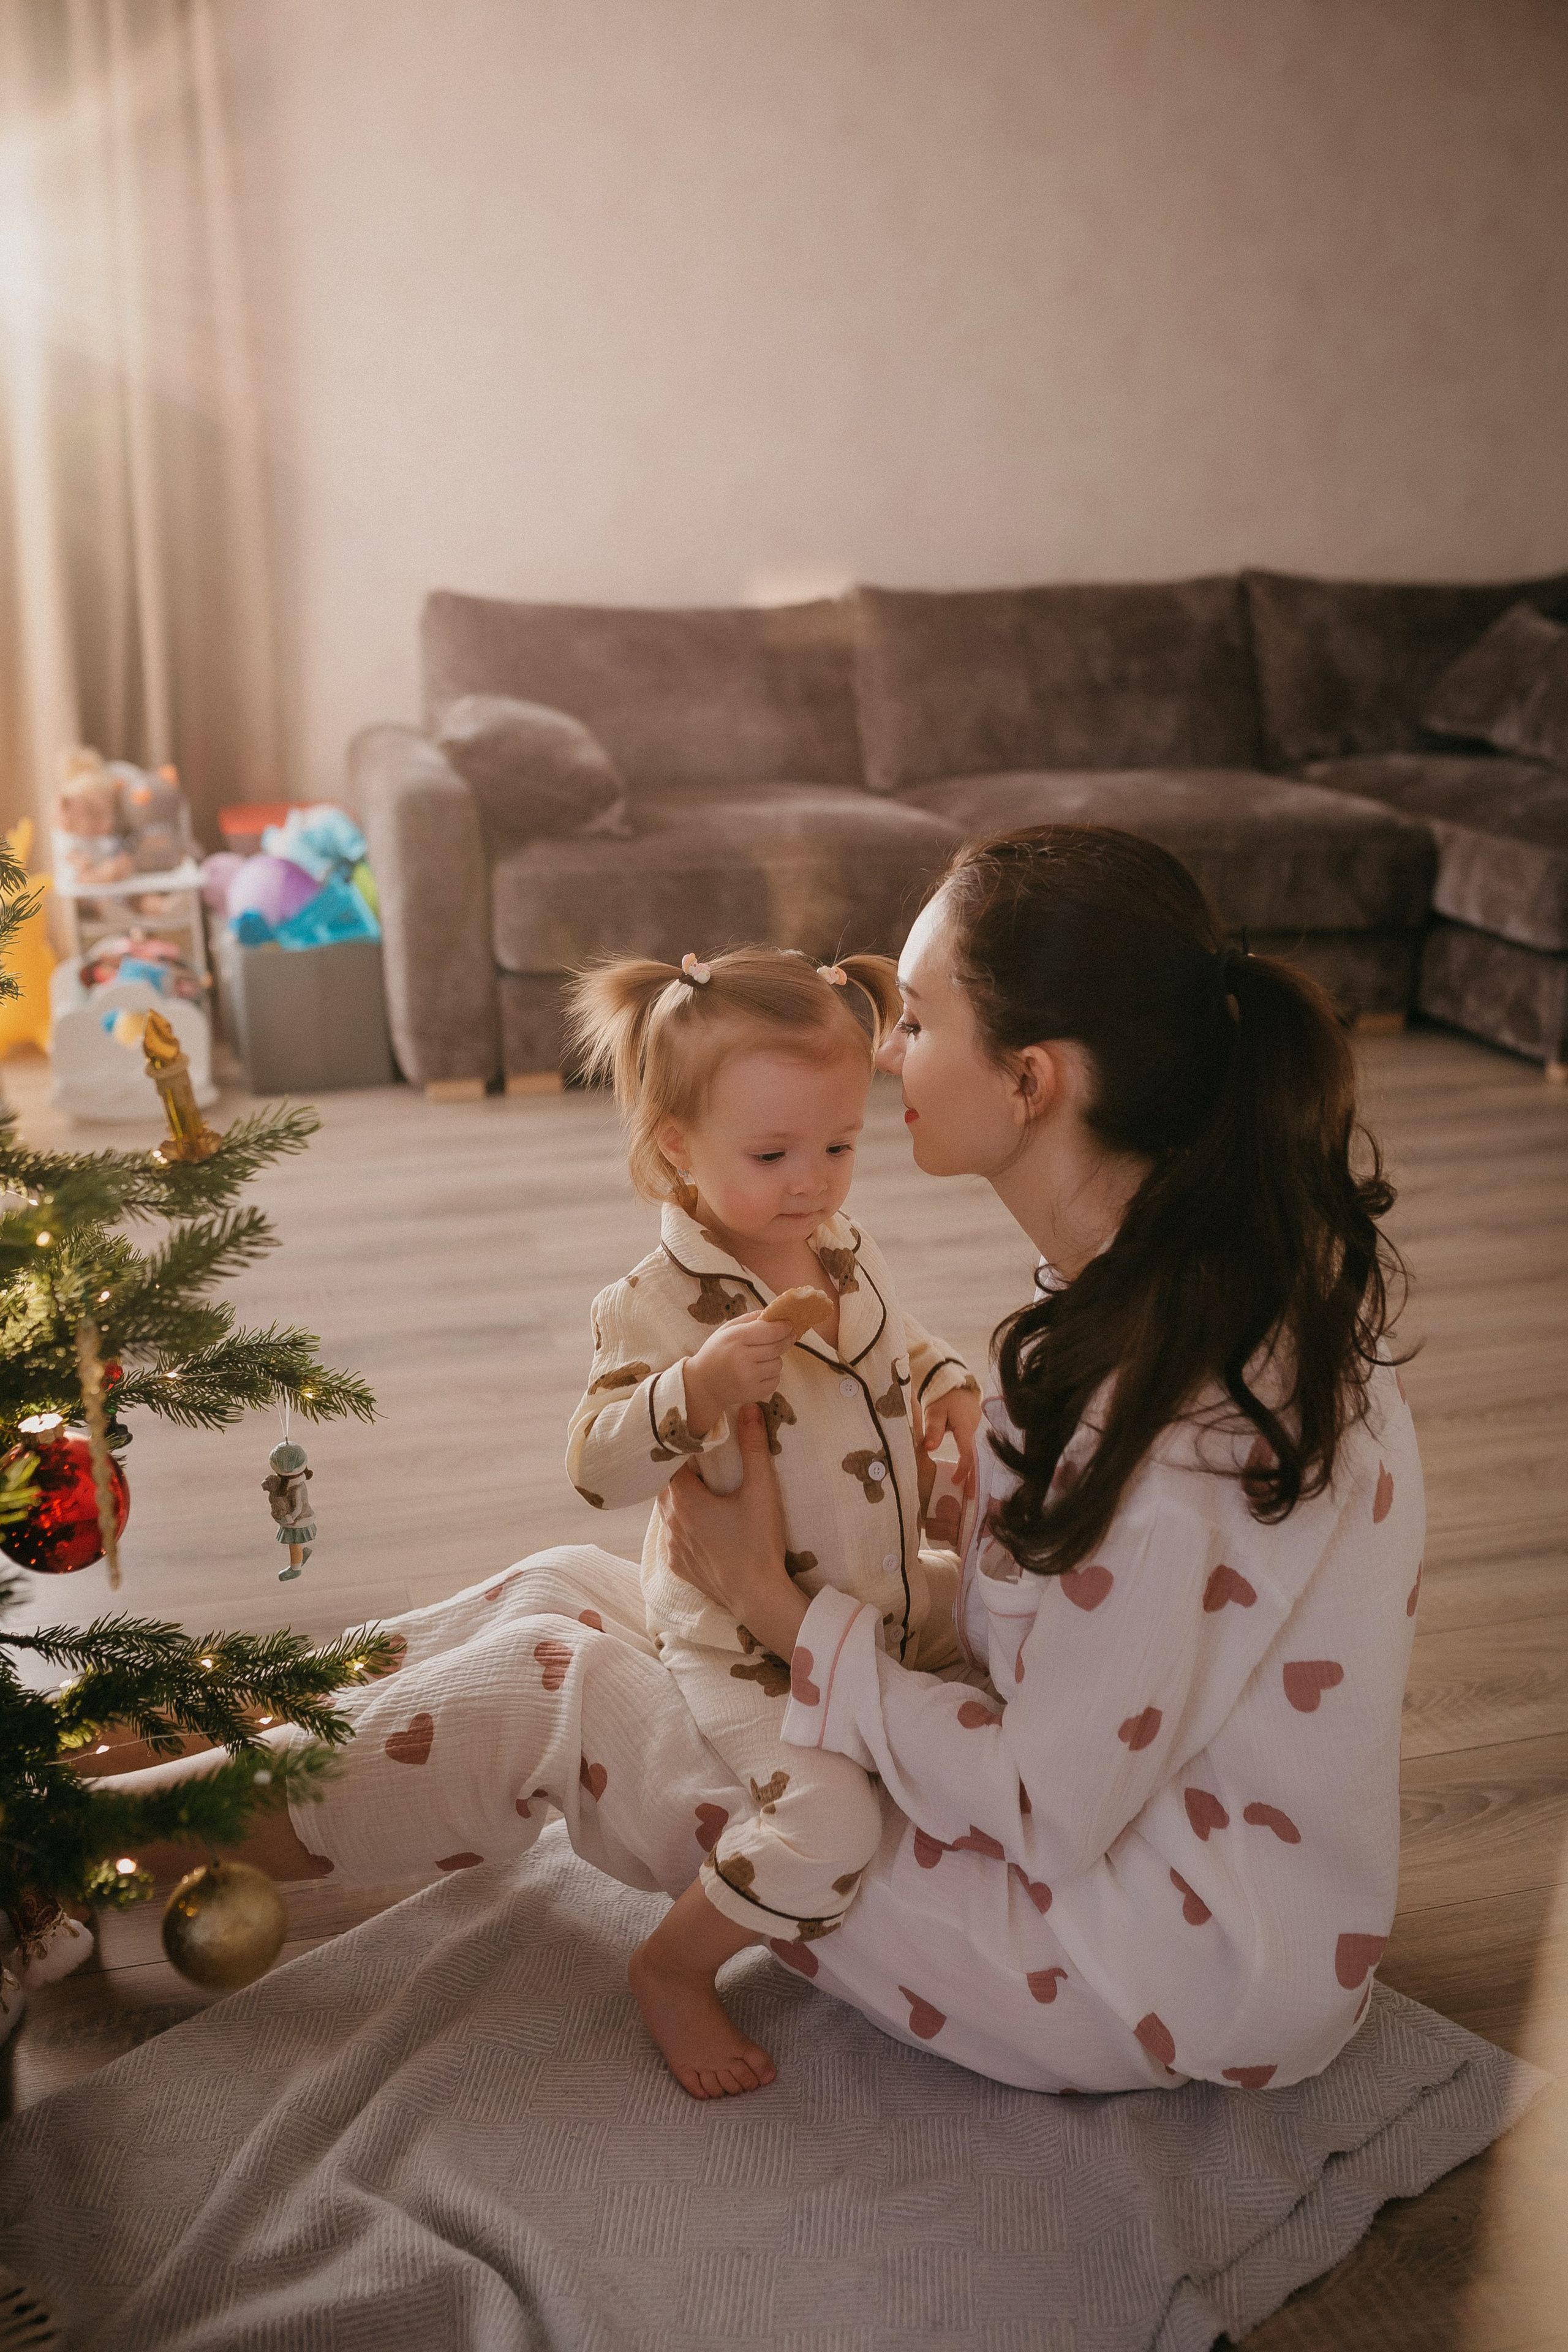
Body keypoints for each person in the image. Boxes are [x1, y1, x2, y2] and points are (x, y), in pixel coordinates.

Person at [105, 825, 1420, 2098]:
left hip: (1133, 1965)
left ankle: (62, 1850)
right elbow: (1099, 1663)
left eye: (915, 1017)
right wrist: (938, 1560)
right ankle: (107, 1753)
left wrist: (783, 1612)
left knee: (561, 1685)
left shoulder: (1179, 1422)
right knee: (563, 1585)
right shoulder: (1183, 1286)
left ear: (1030, 1080)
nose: (887, 1052)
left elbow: (1042, 1801)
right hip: (1134, 1864)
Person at [562, 947, 981, 2098]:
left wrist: (944, 1381)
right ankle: (676, 1969)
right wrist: (689, 1391)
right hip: (747, 1642)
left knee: (1025, 1656)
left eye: (840, 1146)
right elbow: (596, 1468)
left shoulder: (845, 1251)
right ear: (675, 1151)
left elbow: (898, 1341)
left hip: (887, 1597)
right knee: (828, 1826)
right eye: (774, 1155)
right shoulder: (651, 1305)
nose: (815, 1182)